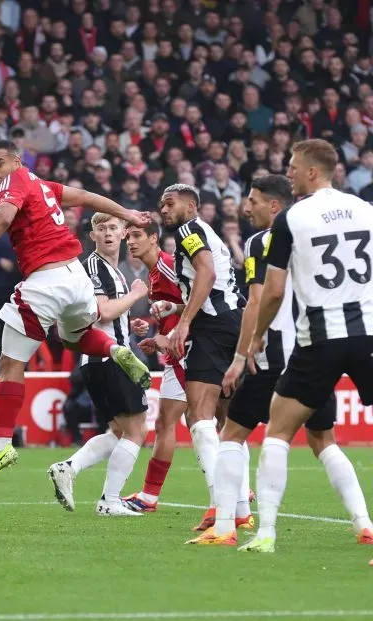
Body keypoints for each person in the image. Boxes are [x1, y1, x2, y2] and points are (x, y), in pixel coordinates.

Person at [0, 139, 151, 486]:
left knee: (10, 364)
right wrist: (127, 213)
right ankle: (114, 349)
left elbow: (1, 217)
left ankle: (1, 446)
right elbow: (85, 197)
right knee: (73, 337)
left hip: (46, 279)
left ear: (16, 161)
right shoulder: (42, 185)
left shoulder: (15, 182)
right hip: (75, 274)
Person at [240, 140, 373, 554]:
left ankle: (266, 534)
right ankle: (363, 524)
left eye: (294, 167)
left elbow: (274, 290)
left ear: (312, 171)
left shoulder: (293, 218)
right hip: (368, 333)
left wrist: (257, 334)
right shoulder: (367, 211)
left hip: (320, 339)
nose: (290, 173)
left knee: (278, 432)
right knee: (323, 437)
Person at [184, 175, 296, 544]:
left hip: (269, 351)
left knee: (233, 432)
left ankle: (233, 526)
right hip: (315, 347)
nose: (246, 207)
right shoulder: (309, 233)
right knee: (319, 439)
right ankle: (363, 525)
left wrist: (242, 354)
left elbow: (262, 299)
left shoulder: (262, 241)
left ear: (273, 205)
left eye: (252, 201)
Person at [152, 182, 244, 532]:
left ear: (191, 207)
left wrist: (183, 324)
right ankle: (237, 508)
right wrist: (176, 306)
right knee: (224, 417)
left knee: (199, 415)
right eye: (161, 204)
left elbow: (208, 273)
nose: (164, 210)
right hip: (228, 323)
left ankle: (220, 512)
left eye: (170, 203)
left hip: (214, 327)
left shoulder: (190, 230)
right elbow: (207, 283)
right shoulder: (199, 232)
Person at [46, 212, 150, 517]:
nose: (107, 233)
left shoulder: (112, 270)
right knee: (136, 431)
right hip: (108, 359)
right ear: (92, 236)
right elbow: (103, 311)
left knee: (119, 432)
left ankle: (68, 467)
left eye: (113, 228)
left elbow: (104, 316)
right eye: (101, 228)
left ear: (123, 234)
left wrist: (133, 325)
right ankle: (110, 500)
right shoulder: (95, 266)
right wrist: (134, 295)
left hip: (103, 358)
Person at [121, 219, 190, 512]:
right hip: (176, 352)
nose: (130, 242)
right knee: (170, 423)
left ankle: (237, 494)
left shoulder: (169, 266)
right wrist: (155, 333)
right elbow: (174, 309)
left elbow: (201, 302)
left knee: (207, 423)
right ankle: (149, 495)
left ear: (154, 238)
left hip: (191, 350)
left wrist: (170, 335)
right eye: (128, 237)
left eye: (137, 236)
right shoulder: (153, 274)